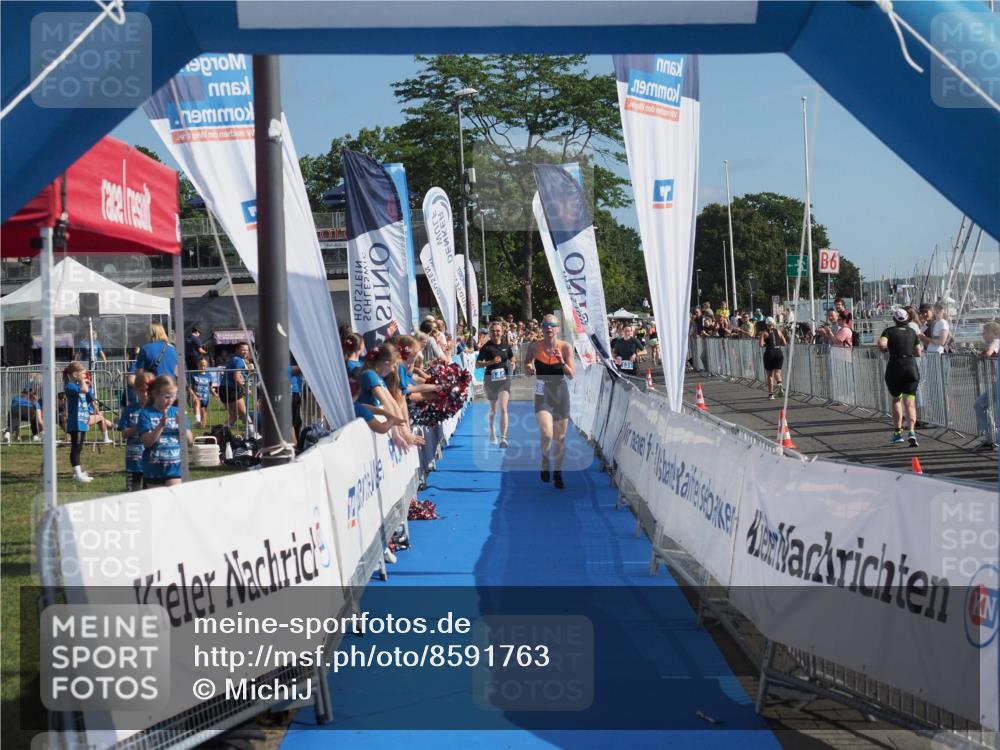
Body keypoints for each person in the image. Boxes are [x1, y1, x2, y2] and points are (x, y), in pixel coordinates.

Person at [525, 314, 576, 489]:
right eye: (545, 325)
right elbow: (527, 363)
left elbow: (571, 374)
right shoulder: (534, 346)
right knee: (547, 434)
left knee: (560, 438)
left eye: (552, 325)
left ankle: (558, 473)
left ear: (557, 329)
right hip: (543, 392)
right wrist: (529, 368)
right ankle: (545, 460)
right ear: (542, 328)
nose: (549, 328)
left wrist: (561, 361)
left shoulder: (566, 347)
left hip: (560, 392)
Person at [878, 308, 923, 447]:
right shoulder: (912, 332)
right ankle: (912, 432)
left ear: (894, 319)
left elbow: (881, 344)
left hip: (895, 367)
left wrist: (885, 349)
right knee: (910, 403)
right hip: (910, 367)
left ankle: (898, 433)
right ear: (907, 319)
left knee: (896, 400)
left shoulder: (888, 331)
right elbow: (918, 352)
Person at [138, 375, 192, 488]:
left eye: (174, 396)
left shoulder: (178, 412)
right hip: (153, 469)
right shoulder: (145, 414)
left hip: (175, 468)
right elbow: (147, 442)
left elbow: (189, 440)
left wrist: (181, 425)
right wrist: (160, 426)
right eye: (167, 396)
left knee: (174, 497)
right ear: (154, 394)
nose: (171, 400)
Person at [476, 320, 517, 447]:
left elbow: (512, 358)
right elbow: (478, 364)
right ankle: (492, 431)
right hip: (490, 380)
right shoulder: (486, 347)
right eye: (493, 331)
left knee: (504, 408)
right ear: (490, 332)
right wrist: (491, 362)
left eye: (498, 331)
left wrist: (513, 363)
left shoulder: (506, 346)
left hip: (504, 380)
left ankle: (503, 438)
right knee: (493, 410)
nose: (495, 333)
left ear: (502, 332)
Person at [120, 372, 153, 492]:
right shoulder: (129, 410)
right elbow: (124, 433)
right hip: (133, 460)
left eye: (148, 391)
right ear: (136, 391)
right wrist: (138, 427)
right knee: (132, 492)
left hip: (151, 459)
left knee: (150, 492)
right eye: (142, 391)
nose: (145, 394)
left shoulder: (156, 410)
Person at [63, 362, 95, 483]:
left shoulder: (80, 386)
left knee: (79, 447)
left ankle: (78, 472)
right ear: (75, 374)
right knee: (76, 448)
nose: (85, 375)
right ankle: (77, 474)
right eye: (82, 373)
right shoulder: (70, 387)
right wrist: (82, 382)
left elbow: (91, 398)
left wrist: (89, 385)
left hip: (82, 421)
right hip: (75, 422)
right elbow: (83, 390)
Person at [973, 321, 999, 450]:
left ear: (992, 333)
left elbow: (989, 353)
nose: (982, 335)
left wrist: (981, 356)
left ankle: (994, 437)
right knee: (979, 404)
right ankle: (992, 436)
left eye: (984, 333)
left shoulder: (996, 341)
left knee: (981, 404)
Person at [221, 342, 252, 432]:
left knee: (234, 415)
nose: (245, 352)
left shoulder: (235, 359)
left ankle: (222, 434)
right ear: (237, 350)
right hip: (230, 390)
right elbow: (237, 378)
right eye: (243, 350)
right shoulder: (238, 360)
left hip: (224, 389)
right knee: (244, 414)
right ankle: (254, 434)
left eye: (247, 350)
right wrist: (245, 389)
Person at [758, 316, 787, 400]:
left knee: (770, 375)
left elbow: (761, 345)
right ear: (773, 323)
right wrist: (776, 344)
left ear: (766, 324)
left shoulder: (764, 333)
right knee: (778, 373)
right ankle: (779, 384)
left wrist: (767, 344)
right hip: (778, 352)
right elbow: (784, 343)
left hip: (770, 353)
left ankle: (771, 395)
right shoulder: (778, 331)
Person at [188, 357, 217, 428]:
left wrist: (215, 394)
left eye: (204, 365)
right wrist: (194, 395)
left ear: (206, 365)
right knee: (197, 401)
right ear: (198, 365)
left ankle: (197, 425)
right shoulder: (193, 374)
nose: (203, 367)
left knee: (202, 425)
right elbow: (189, 388)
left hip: (205, 399)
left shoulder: (209, 376)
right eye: (201, 365)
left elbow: (210, 388)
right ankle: (197, 419)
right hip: (194, 397)